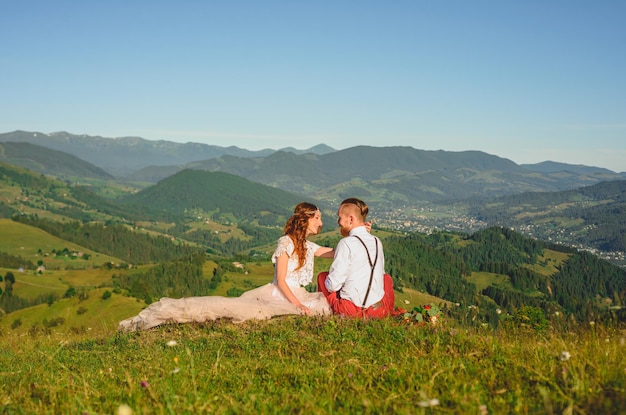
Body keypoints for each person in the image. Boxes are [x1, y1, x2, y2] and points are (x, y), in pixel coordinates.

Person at [118, 202, 334, 331]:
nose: (321, 222)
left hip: (299, 294)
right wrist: (298, 306)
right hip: (279, 294)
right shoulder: (286, 242)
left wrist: (357, 235)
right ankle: (162, 315)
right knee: (225, 308)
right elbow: (280, 281)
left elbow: (335, 253)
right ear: (305, 219)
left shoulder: (307, 245)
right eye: (317, 217)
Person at [317, 198, 396, 318]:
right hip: (377, 310)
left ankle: (324, 314)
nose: (338, 222)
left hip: (350, 310)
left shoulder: (346, 243)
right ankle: (389, 312)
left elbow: (333, 285)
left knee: (322, 277)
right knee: (386, 278)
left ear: (351, 219)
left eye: (340, 217)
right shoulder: (376, 241)